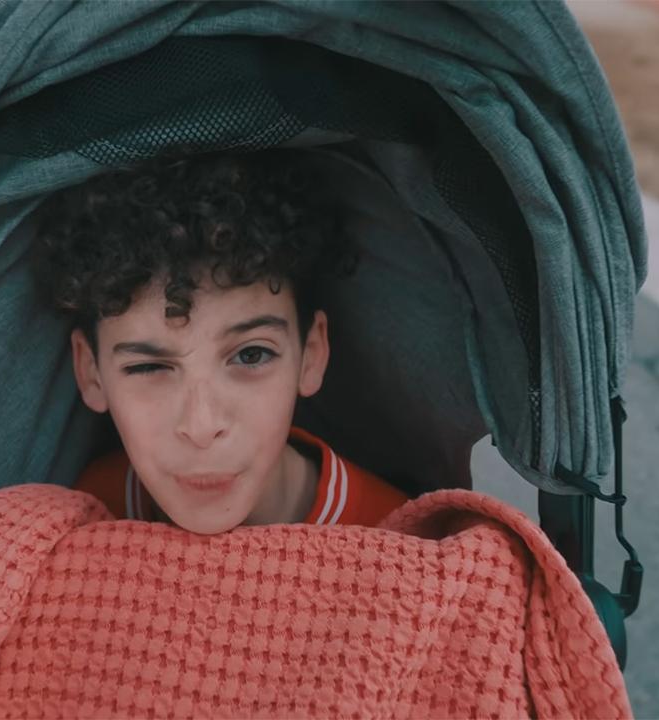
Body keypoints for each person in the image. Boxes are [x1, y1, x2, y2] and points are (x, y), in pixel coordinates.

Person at [31, 147, 408, 535]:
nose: (202, 427)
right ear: (91, 372)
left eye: (252, 355)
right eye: (147, 367)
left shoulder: (400, 539)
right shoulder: (85, 514)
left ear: (310, 355)